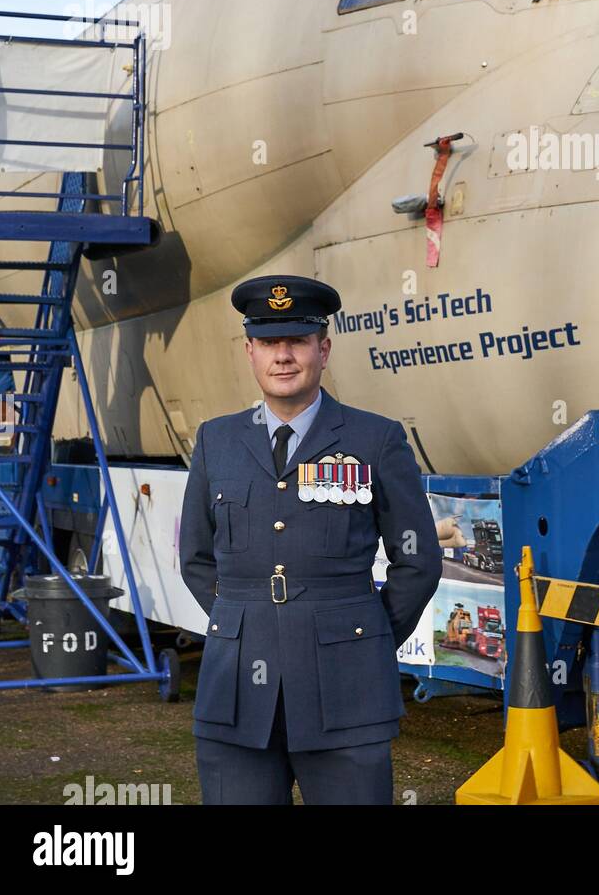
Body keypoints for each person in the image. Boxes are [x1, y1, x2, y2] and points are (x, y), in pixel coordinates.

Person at [178, 274, 441, 805]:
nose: (283, 356)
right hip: (236, 697)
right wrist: (239, 625)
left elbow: (418, 560)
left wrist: (361, 636)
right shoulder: (216, 440)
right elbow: (197, 556)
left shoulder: (376, 439)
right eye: (269, 343)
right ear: (249, 351)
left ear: (323, 350)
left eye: (297, 341)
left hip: (346, 692)